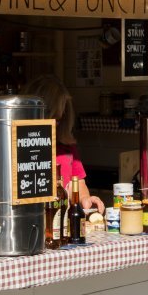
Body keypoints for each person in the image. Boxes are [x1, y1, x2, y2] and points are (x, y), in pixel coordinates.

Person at [27, 74, 106, 214]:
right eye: (53, 116)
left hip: (62, 223)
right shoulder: (22, 146)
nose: (59, 120)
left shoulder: (66, 145)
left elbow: (78, 182)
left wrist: (85, 198)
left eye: (61, 115)